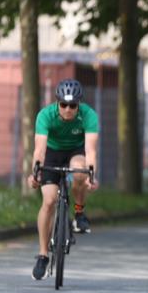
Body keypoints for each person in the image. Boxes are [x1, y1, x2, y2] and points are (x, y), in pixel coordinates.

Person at [27, 79, 99, 280]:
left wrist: (91, 175)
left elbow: (91, 150)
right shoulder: (45, 115)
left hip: (76, 150)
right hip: (52, 151)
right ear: (57, 102)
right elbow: (39, 150)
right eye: (64, 105)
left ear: (79, 104)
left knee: (79, 172)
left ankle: (79, 212)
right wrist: (36, 173)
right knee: (49, 201)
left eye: (73, 105)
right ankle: (42, 254)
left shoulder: (89, 115)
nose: (68, 109)